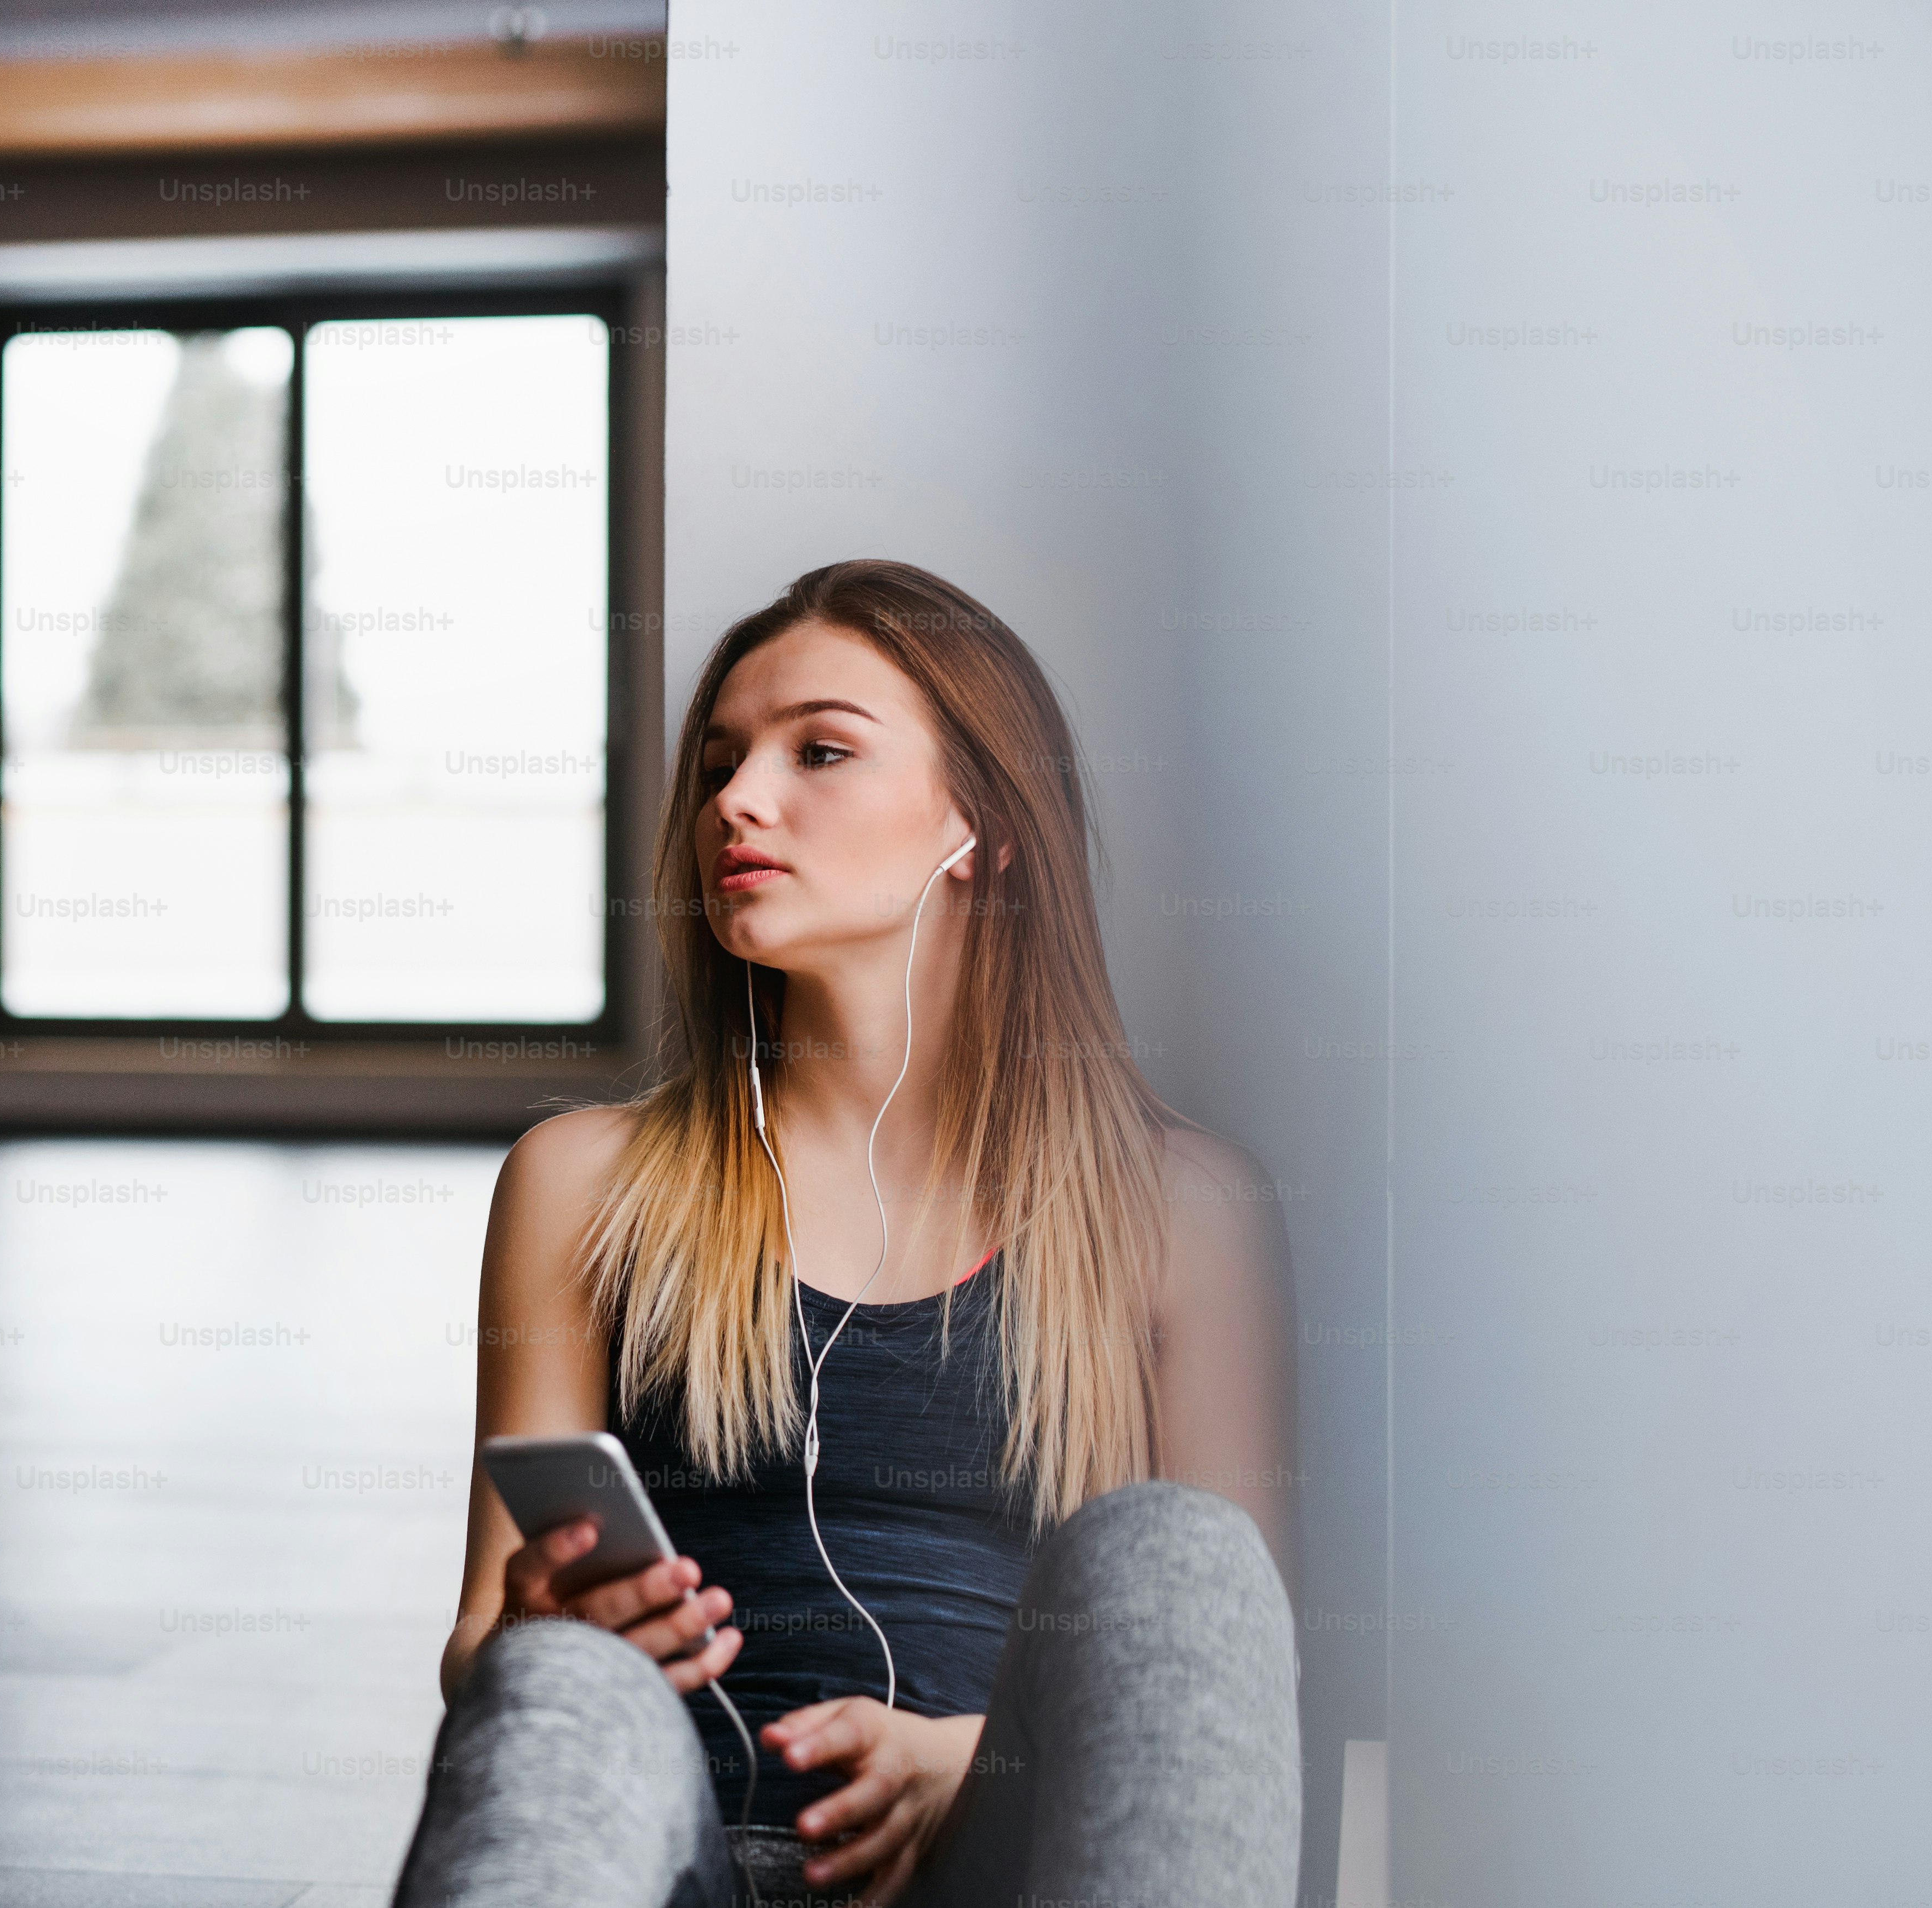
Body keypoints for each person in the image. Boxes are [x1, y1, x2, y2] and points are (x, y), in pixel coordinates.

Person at [390, 560, 1304, 1908]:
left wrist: (967, 1762)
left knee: (1179, 1556)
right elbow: (479, 1642)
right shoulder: (583, 1180)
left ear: (980, 822)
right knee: (556, 1675)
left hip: (1006, 1857)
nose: (735, 803)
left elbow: (1234, 1680)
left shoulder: (1181, 1208)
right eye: (719, 764)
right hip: (672, 1840)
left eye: (818, 750)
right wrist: (540, 1621)